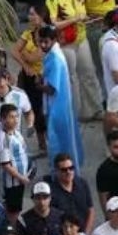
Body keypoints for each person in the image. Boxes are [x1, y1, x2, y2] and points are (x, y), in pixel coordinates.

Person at [36, 24, 85, 170]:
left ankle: (60, 172)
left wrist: (38, 85)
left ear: (53, 40)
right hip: (61, 105)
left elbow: (52, 89)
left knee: (58, 142)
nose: (43, 45)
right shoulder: (53, 54)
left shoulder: (55, 59)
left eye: (46, 42)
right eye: (40, 41)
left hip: (57, 107)